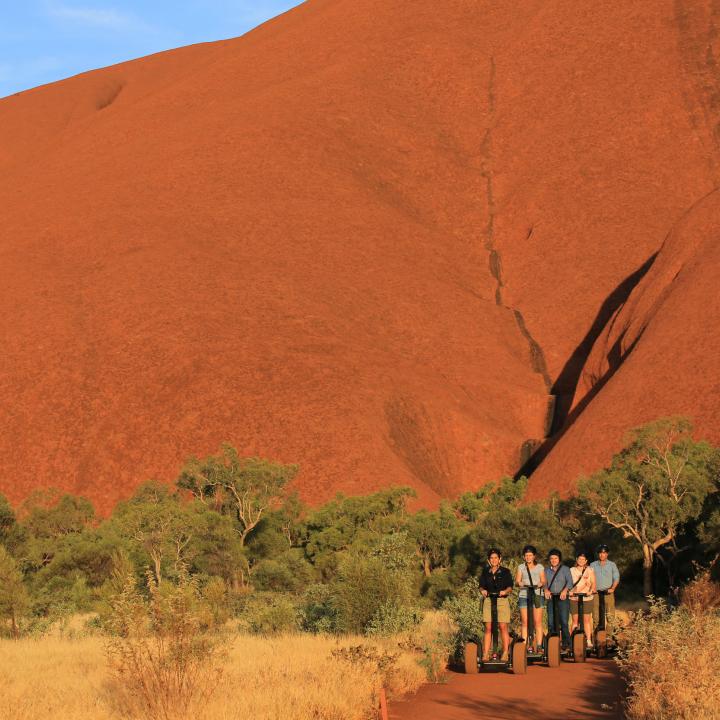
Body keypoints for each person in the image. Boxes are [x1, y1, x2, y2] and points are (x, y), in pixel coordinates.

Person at [478, 548, 514, 662]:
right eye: (491, 558)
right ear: (489, 560)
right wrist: (482, 590)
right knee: (488, 627)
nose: (494, 560)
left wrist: (505, 591)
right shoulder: (485, 571)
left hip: (501, 601)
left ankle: (505, 652)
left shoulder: (505, 571)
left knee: (503, 626)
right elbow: (481, 586)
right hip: (488, 600)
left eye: (496, 558)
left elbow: (510, 587)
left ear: (500, 559)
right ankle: (486, 653)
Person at [515, 544, 546, 653]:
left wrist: (540, 583)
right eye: (526, 555)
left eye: (530, 555)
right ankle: (524, 645)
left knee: (537, 621)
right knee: (525, 622)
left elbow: (543, 580)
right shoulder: (521, 567)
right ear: (524, 556)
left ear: (534, 556)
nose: (528, 557)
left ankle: (538, 645)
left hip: (537, 595)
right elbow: (517, 581)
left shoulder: (540, 567)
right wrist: (520, 583)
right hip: (524, 595)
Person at [544, 548, 573, 651]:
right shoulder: (546, 570)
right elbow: (544, 582)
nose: (553, 560)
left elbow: (570, 582)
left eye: (555, 558)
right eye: (551, 558)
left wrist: (565, 590)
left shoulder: (565, 569)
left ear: (559, 559)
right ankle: (552, 644)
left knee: (564, 622)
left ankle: (567, 644)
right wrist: (546, 590)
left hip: (562, 598)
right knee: (551, 622)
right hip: (551, 598)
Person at [569, 550, 596, 649]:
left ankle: (588, 640)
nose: (581, 561)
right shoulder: (571, 570)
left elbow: (593, 583)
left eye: (583, 559)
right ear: (576, 559)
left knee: (586, 620)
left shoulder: (590, 570)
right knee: (575, 620)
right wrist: (571, 591)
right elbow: (569, 584)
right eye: (579, 559)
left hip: (587, 598)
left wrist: (591, 590)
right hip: (574, 598)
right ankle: (572, 641)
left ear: (586, 561)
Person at [590, 544, 619, 629]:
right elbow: (588, 578)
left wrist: (613, 588)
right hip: (596, 593)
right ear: (598, 554)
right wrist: (591, 588)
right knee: (595, 616)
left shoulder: (612, 565)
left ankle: (609, 637)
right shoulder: (592, 565)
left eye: (604, 553)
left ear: (607, 554)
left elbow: (616, 577)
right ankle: (596, 636)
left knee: (610, 616)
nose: (602, 555)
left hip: (608, 593)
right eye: (600, 553)